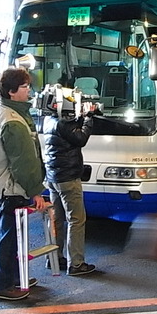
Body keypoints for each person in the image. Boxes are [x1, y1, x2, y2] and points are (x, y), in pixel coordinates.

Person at [0, 67, 47, 301]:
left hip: (4, 185)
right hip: (11, 188)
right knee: (9, 237)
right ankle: (1, 285)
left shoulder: (1, 110)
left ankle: (12, 278)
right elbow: (23, 162)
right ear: (12, 92)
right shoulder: (14, 121)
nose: (29, 90)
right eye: (24, 86)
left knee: (13, 235)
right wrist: (36, 192)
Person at [43, 93, 97, 277]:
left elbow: (71, 132)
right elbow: (81, 138)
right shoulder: (63, 124)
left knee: (57, 219)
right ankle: (76, 263)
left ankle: (54, 258)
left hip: (53, 177)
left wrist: (80, 116)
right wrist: (88, 117)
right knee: (76, 219)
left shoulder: (49, 121)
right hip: (68, 178)